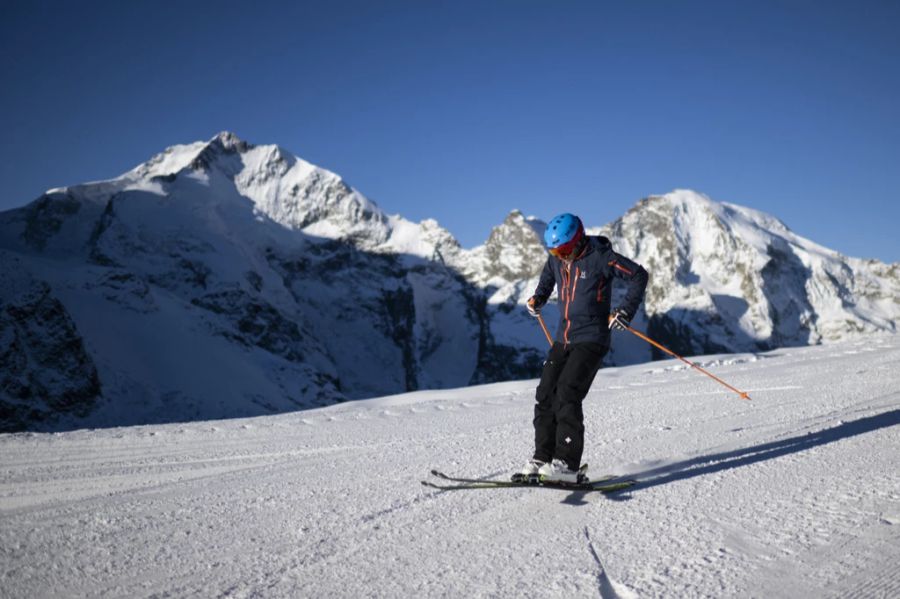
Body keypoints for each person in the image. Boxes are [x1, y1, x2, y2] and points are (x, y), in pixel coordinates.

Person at [519, 213, 648, 483]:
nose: (560, 255)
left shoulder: (601, 257)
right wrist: (539, 297)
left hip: (591, 338)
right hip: (562, 338)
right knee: (545, 394)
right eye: (554, 251)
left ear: (578, 241)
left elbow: (638, 275)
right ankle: (543, 458)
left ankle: (566, 464)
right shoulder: (557, 259)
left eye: (564, 250)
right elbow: (548, 276)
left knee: (567, 392)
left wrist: (625, 311)